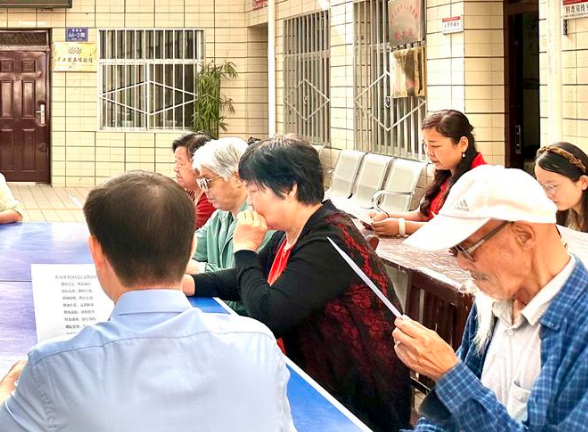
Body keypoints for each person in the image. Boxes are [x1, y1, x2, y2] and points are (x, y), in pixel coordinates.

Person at [0, 171, 294, 432]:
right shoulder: (258, 345)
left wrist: (6, 385)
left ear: (96, 251)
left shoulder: (53, 366)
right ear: (191, 246)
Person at [186, 136, 410, 431]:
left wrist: (244, 249)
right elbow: (241, 279)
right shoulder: (291, 231)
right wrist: (186, 284)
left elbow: (268, 316)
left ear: (289, 188)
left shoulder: (330, 239)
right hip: (322, 378)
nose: (250, 202)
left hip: (360, 401)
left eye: (254, 191)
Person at [393, 165, 588, 430]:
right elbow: (447, 417)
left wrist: (449, 374)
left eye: (466, 249)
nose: (461, 263)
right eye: (455, 250)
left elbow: (461, 390)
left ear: (524, 236)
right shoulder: (492, 302)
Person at [370, 109, 485, 237]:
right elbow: (423, 215)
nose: (429, 152)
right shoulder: (445, 173)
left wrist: (401, 227)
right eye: (425, 144)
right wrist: (385, 217)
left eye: (435, 146)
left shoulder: (480, 180)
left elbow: (454, 228)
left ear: (462, 144)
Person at [190, 138, 275, 282]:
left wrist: (197, 269)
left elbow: (243, 278)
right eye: (200, 183)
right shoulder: (219, 216)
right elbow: (189, 248)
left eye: (207, 181)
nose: (204, 190)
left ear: (237, 178)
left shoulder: (259, 221)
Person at [534, 142, 588, 245]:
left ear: (583, 182)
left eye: (552, 186)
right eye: (541, 186)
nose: (547, 194)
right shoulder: (564, 210)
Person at [172, 132, 216, 228]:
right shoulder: (190, 193)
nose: (175, 169)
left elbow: (182, 230)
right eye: (175, 162)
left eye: (181, 163)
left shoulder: (211, 200)